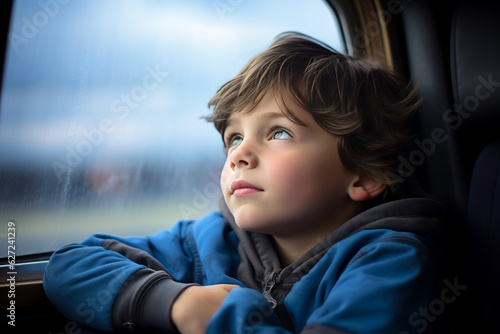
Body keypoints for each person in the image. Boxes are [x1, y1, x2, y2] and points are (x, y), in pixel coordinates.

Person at [43, 32, 449, 333]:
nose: (239, 154)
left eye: (278, 133)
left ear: (364, 175)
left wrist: (221, 315)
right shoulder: (206, 241)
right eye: (234, 137)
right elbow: (69, 266)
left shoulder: (391, 262)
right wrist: (176, 302)